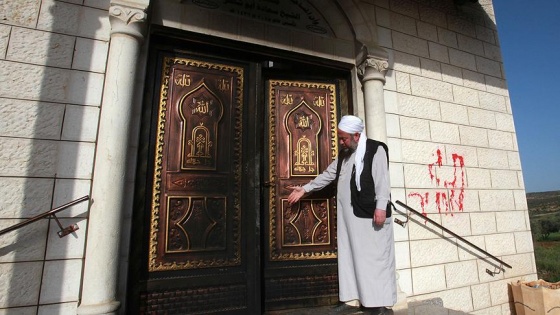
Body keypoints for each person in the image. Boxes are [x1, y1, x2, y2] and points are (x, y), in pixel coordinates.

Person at [287, 115, 396, 315]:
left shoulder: (376, 149)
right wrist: (305, 189)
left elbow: (382, 181)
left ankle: (379, 305)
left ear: (356, 135)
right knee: (349, 258)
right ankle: (353, 300)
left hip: (369, 216)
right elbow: (328, 175)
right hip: (348, 219)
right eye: (340, 138)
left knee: (373, 260)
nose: (341, 142)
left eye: (344, 138)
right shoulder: (345, 155)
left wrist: (381, 207)